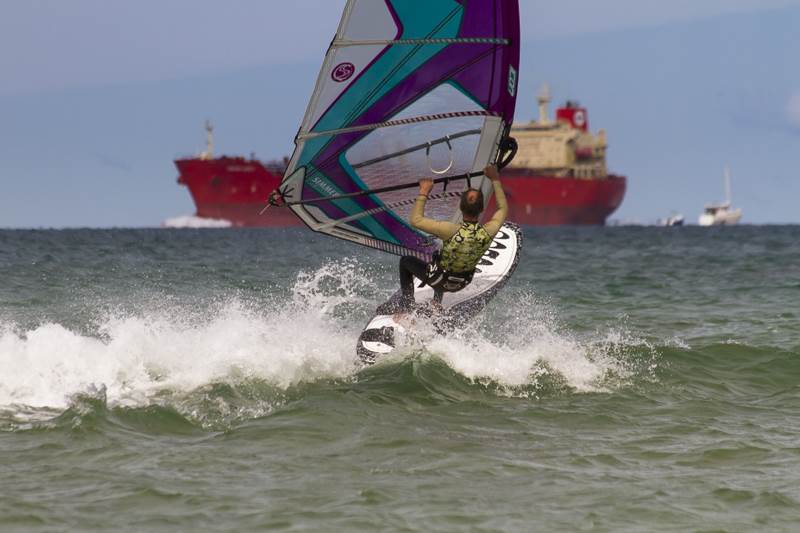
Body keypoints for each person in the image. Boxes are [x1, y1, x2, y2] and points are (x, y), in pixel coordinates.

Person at [397, 164, 508, 311]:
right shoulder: (488, 231)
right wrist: (495, 179)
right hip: (463, 282)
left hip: (439, 280)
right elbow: (503, 209)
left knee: (406, 261)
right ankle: (436, 304)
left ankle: (407, 306)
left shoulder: (450, 230)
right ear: (481, 209)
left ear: (460, 208)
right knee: (443, 258)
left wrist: (424, 191)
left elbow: (415, 220)